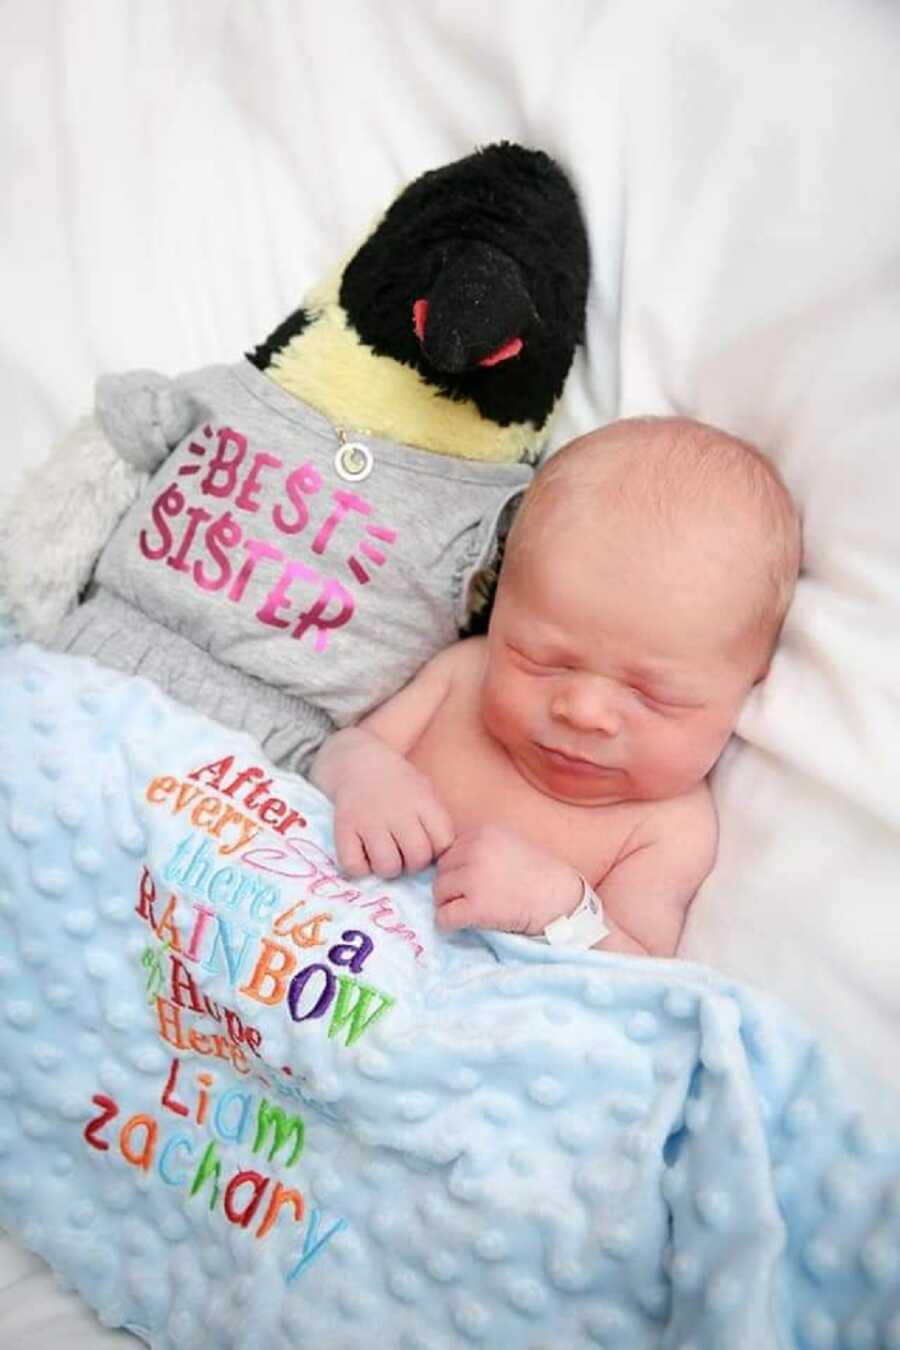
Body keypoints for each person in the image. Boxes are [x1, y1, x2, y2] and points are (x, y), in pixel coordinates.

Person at [310, 416, 802, 956]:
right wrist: (365, 776)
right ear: (499, 612)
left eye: (654, 695)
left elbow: (638, 977)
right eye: (543, 660)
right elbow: (344, 749)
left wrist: (559, 911)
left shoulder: (667, 828)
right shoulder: (464, 676)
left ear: (749, 688)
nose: (584, 710)